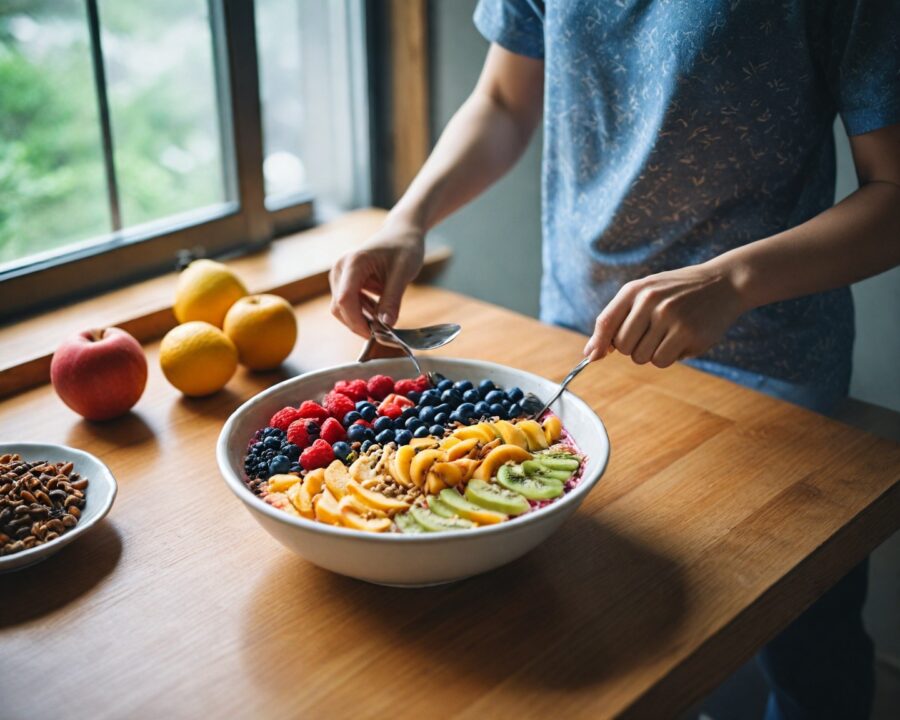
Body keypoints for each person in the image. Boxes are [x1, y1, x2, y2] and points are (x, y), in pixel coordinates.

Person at [329, 2, 900, 718]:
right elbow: (504, 99)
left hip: (773, 361)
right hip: (579, 343)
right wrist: (407, 219)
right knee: (623, 631)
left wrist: (732, 280)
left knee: (805, 643)